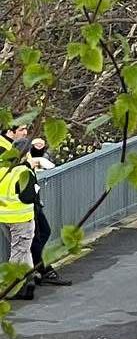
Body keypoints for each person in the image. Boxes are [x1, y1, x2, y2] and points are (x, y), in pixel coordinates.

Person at [21, 138, 65, 288]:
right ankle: (41, 270)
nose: (25, 132)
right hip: (22, 209)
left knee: (43, 233)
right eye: (21, 129)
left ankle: (38, 267)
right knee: (32, 241)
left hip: (33, 204)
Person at [1, 128, 38, 302]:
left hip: (4, 218)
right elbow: (29, 196)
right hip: (21, 218)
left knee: (23, 250)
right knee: (18, 252)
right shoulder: (24, 172)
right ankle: (9, 286)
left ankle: (29, 281)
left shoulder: (2, 170)